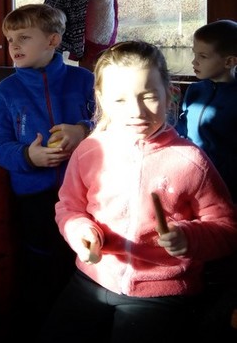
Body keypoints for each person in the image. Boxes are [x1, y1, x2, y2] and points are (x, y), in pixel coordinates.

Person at [39, 40, 237, 342]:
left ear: (170, 94)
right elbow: (69, 207)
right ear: (101, 99)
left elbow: (227, 228)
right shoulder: (89, 150)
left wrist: (189, 237)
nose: (136, 111)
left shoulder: (191, 160)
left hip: (163, 291)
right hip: (93, 277)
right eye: (120, 100)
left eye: (149, 96)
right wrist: (80, 230)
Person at [0, 4, 95, 334]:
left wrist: (84, 130)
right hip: (34, 196)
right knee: (41, 263)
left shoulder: (84, 80)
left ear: (52, 40)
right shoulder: (6, 91)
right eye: (10, 39)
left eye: (23, 37)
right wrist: (27, 156)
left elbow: (109, 121)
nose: (14, 46)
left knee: (83, 262)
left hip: (85, 194)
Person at [176, 19, 237, 201]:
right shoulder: (195, 90)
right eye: (194, 54)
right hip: (190, 173)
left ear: (229, 62)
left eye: (203, 56)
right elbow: (183, 127)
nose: (194, 61)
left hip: (226, 183)